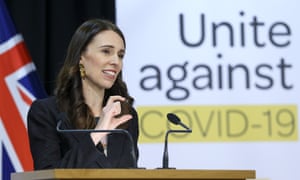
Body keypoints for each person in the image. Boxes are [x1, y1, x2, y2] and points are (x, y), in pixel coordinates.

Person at [27, 19, 139, 169]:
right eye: (106, 51)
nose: (116, 61)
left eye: (120, 55)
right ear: (81, 57)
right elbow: (48, 174)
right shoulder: (46, 112)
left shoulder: (125, 114)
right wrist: (97, 133)